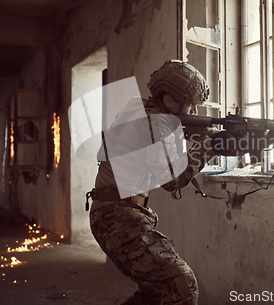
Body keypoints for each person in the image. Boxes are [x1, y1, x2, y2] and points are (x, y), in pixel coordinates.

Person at [89, 60, 219, 305]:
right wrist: (208, 148)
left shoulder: (143, 111)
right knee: (182, 286)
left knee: (156, 293)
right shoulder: (156, 122)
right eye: (191, 106)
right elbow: (172, 180)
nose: (195, 113)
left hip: (116, 213)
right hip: (117, 217)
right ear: (169, 101)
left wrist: (192, 136)